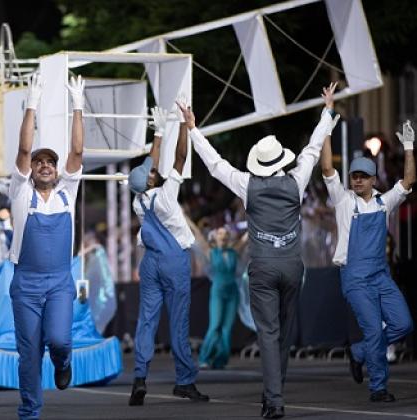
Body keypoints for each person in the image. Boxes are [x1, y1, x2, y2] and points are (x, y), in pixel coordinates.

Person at [179, 82, 340, 419]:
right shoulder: (296, 181)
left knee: (268, 332)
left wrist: (193, 128)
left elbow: (215, 164)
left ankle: (275, 399)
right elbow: (312, 147)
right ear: (281, 159)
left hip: (264, 266)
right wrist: (327, 112)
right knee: (284, 330)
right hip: (293, 266)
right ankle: (275, 389)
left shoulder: (248, 185)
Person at [320, 120, 414, 402]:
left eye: (363, 176)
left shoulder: (385, 203)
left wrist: (409, 146)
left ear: (374, 179)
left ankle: (359, 352)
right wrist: (325, 129)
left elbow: (408, 181)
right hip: (355, 278)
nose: (357, 180)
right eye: (354, 176)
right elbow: (326, 169)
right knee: (374, 330)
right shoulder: (343, 200)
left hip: (380, 275)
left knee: (404, 324)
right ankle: (378, 388)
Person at [8, 73, 84, 420]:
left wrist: (78, 107)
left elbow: (77, 151)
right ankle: (30, 412)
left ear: (57, 171)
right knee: (28, 354)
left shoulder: (68, 193)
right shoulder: (21, 194)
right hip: (25, 285)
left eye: (50, 163)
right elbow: (24, 148)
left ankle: (63, 362)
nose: (45, 166)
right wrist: (31, 104)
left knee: (59, 340)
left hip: (58, 282)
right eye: (39, 163)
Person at [127, 101, 209, 406]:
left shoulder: (138, 202)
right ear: (150, 179)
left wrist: (159, 134)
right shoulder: (166, 193)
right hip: (174, 261)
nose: (152, 170)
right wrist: (186, 127)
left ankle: (139, 379)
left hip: (150, 263)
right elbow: (180, 157)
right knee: (178, 323)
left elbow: (150, 164)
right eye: (149, 173)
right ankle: (185, 382)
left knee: (146, 322)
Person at [188, 224, 247, 369]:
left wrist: (260, 215)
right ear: (215, 237)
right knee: (215, 326)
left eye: (226, 234)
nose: (224, 236)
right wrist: (184, 215)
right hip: (218, 293)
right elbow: (197, 232)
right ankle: (204, 358)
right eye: (220, 233)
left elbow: (248, 236)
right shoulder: (210, 252)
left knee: (227, 328)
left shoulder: (234, 251)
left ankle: (221, 360)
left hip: (232, 292)